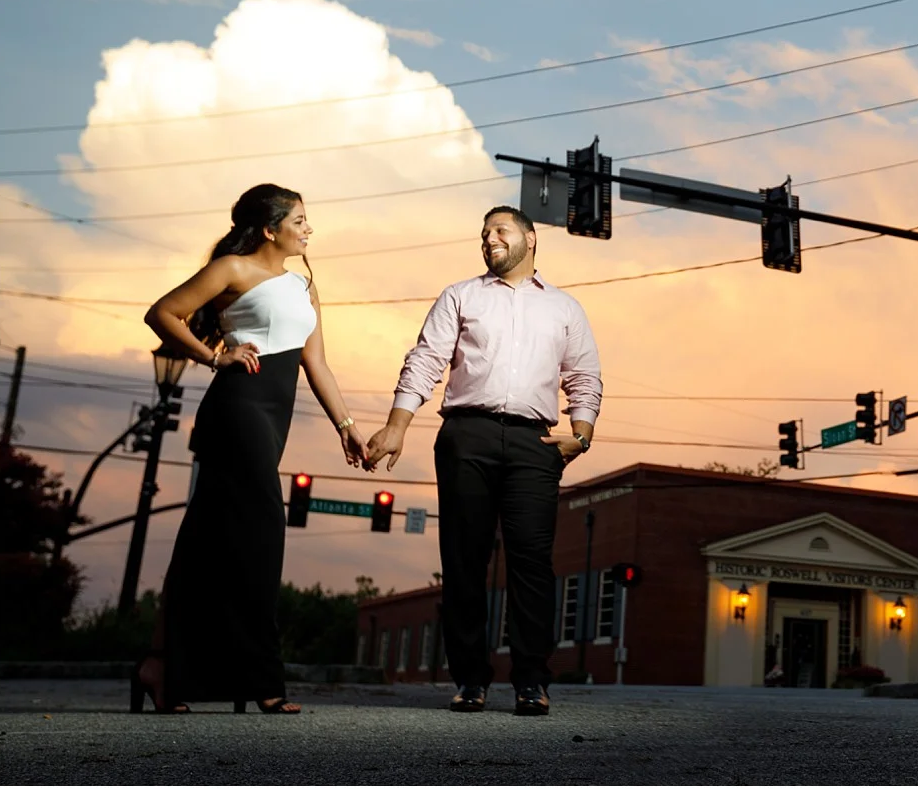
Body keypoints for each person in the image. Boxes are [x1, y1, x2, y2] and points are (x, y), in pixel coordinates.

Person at [138, 183, 368, 714]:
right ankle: (263, 678)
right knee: (262, 534)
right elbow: (162, 313)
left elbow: (318, 365)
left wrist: (347, 425)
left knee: (204, 539)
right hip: (236, 410)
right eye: (300, 220)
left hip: (273, 419)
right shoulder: (233, 269)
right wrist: (212, 357)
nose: (309, 228)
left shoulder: (304, 287)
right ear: (271, 229)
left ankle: (158, 666)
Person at [365, 205, 601, 716]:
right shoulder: (460, 295)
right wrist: (397, 425)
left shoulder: (565, 308)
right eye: (483, 234)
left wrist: (580, 436)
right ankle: (470, 679)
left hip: (534, 444)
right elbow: (426, 358)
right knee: (464, 559)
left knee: (532, 563)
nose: (489, 239)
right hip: (464, 436)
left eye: (500, 231)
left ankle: (531, 681)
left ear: (531, 239)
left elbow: (583, 375)